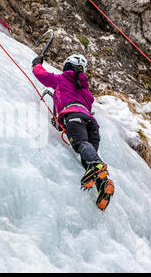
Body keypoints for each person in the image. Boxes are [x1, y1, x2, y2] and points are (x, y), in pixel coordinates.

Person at [32, 54, 115, 210]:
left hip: (74, 116)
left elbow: (41, 74)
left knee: (81, 145)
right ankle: (103, 185)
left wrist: (37, 63)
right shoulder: (87, 92)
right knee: (87, 158)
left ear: (67, 66)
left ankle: (98, 166)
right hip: (92, 124)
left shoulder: (62, 79)